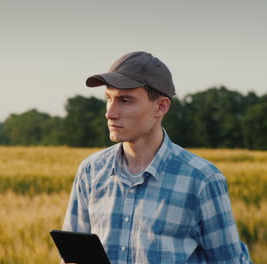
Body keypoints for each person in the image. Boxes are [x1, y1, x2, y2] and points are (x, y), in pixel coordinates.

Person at [61, 51, 252, 263]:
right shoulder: (91, 170)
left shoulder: (201, 180)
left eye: (125, 101)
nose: (110, 113)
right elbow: (71, 258)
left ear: (161, 107)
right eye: (109, 99)